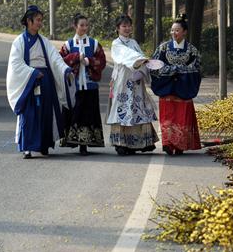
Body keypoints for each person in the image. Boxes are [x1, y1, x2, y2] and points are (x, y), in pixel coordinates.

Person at [6, 5, 74, 159]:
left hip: (45, 80)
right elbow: (15, 63)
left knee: (46, 113)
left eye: (41, 20)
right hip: (28, 81)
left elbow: (55, 59)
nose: (40, 23)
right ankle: (27, 147)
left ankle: (44, 145)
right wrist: (32, 73)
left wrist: (65, 69)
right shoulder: (18, 42)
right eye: (37, 20)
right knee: (28, 114)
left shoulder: (44, 41)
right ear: (29, 21)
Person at [106, 15, 159, 155]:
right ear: (118, 28)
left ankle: (141, 142)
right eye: (123, 26)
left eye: (129, 25)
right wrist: (140, 59)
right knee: (123, 106)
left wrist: (143, 69)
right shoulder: (116, 43)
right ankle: (122, 143)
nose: (127, 28)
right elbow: (126, 55)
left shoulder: (134, 42)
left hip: (136, 81)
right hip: (123, 80)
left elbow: (139, 55)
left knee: (138, 106)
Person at [150, 14, 202, 155]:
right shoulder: (163, 48)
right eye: (172, 30)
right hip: (166, 87)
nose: (174, 33)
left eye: (177, 30)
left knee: (182, 117)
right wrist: (172, 71)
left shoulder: (192, 50)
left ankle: (180, 145)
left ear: (184, 32)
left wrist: (180, 72)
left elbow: (197, 68)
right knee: (167, 116)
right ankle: (167, 142)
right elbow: (154, 66)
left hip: (184, 88)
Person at [59, 13, 106, 155]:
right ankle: (74, 140)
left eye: (86, 25)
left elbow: (102, 61)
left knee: (88, 113)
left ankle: (85, 144)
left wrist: (89, 61)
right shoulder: (68, 44)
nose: (84, 28)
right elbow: (60, 61)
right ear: (75, 26)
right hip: (75, 85)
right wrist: (74, 58)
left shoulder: (94, 43)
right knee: (75, 112)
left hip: (90, 86)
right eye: (81, 25)